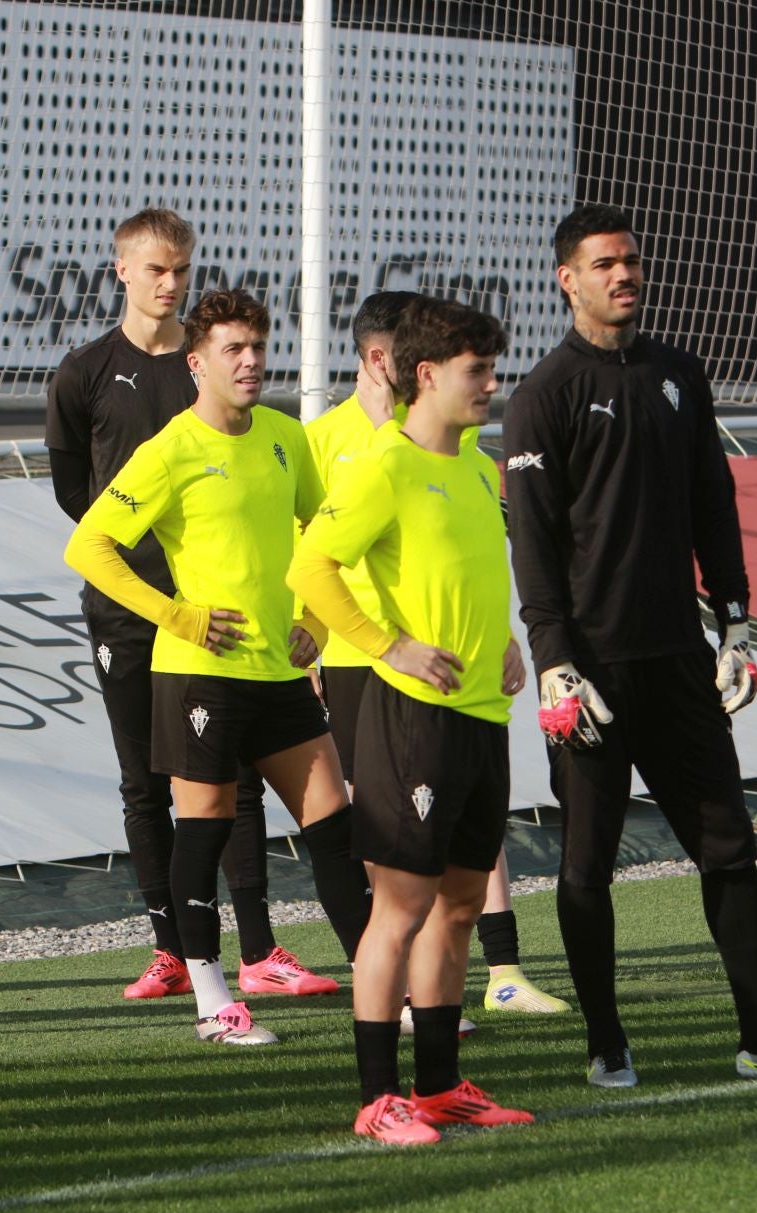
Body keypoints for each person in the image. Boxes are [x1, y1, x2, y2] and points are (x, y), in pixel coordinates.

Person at [503, 203, 757, 1087]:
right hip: (588, 670)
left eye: (630, 260)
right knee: (587, 863)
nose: (624, 275)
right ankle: (606, 1045)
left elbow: (711, 500)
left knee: (729, 846)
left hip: (676, 659)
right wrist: (554, 657)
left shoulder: (679, 374)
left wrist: (735, 621)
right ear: (568, 280)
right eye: (603, 264)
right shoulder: (543, 395)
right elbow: (534, 546)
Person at [47, 209, 338, 1000]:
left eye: (181, 270)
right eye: (155, 270)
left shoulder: (210, 366)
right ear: (122, 271)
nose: (170, 284)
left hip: (226, 616)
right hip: (130, 612)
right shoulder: (83, 373)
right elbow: (81, 497)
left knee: (235, 779)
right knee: (145, 779)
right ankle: (171, 949)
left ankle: (261, 949)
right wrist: (153, 578)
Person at [291, 296, 536, 1144]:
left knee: (461, 905)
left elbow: (466, 569)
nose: (492, 386)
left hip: (482, 712)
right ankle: (376, 1100)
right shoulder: (381, 467)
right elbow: (311, 566)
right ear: (426, 375)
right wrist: (384, 644)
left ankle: (438, 1087)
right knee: (399, 907)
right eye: (479, 372)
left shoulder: (476, 465)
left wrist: (504, 638)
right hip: (412, 719)